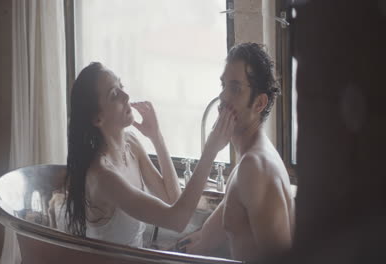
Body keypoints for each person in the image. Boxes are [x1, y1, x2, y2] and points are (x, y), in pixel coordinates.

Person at [64, 62, 236, 248]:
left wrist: (156, 137)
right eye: (114, 94)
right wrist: (211, 150)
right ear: (97, 118)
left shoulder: (131, 144)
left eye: (121, 86)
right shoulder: (103, 177)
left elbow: (172, 200)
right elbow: (177, 220)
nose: (126, 96)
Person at [178, 43, 296, 261]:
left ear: (259, 103)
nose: (223, 97)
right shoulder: (248, 160)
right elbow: (204, 240)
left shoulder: (255, 168)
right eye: (223, 85)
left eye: (235, 88)